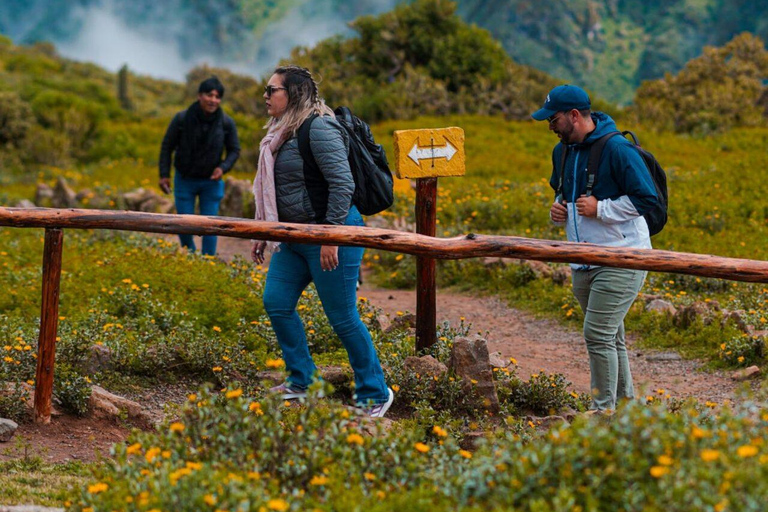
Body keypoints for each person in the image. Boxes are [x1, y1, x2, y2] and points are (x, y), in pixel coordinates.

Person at [251, 65, 394, 417]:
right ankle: (303, 381)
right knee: (276, 302)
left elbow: (341, 184)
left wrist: (332, 236)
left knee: (342, 317)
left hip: (332, 233)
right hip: (295, 237)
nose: (266, 96)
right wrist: (262, 230)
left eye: (272, 90)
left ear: (294, 94)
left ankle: (375, 393)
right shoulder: (282, 132)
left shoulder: (319, 127)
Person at [532, 85, 660, 411]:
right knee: (611, 337)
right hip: (582, 260)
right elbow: (563, 193)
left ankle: (603, 413)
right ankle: (626, 410)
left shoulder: (619, 149)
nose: (550, 125)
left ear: (575, 115)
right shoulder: (561, 152)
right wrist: (557, 208)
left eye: (554, 118)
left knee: (597, 335)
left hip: (623, 255)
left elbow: (647, 199)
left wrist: (601, 209)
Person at [159, 76, 241, 255]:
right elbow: (167, 147)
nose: (213, 100)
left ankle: (209, 262)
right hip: (184, 179)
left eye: (217, 96)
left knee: (210, 225)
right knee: (184, 224)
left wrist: (223, 168)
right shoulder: (181, 119)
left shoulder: (226, 123)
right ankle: (191, 258)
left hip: (211, 181)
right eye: (209, 95)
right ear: (199, 95)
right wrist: (164, 174)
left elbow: (234, 150)